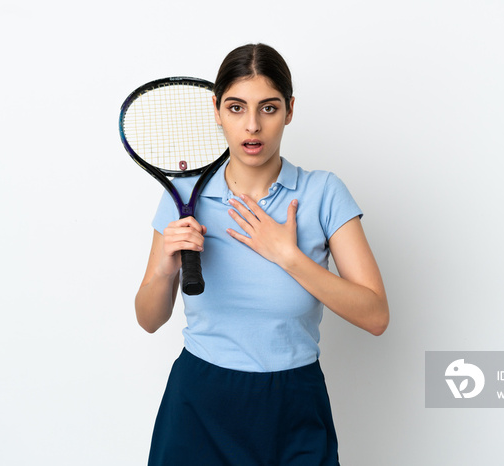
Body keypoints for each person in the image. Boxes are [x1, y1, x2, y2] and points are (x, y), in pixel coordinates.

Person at [135, 43, 389, 465]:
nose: (252, 126)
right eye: (236, 108)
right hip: (199, 403)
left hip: (294, 402)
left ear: (289, 110)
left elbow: (376, 315)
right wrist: (164, 267)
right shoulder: (184, 196)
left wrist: (288, 256)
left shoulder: (322, 193)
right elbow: (148, 319)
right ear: (216, 110)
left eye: (268, 109)